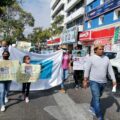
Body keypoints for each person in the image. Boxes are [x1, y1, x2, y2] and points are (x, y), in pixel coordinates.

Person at [83, 44, 117, 120]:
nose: (102, 50)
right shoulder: (91, 58)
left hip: (103, 82)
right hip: (93, 81)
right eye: (100, 49)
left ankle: (91, 107)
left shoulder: (106, 58)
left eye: (103, 49)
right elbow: (87, 69)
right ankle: (99, 116)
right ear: (95, 50)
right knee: (97, 98)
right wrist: (85, 80)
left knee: (97, 96)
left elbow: (110, 70)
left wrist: (114, 80)